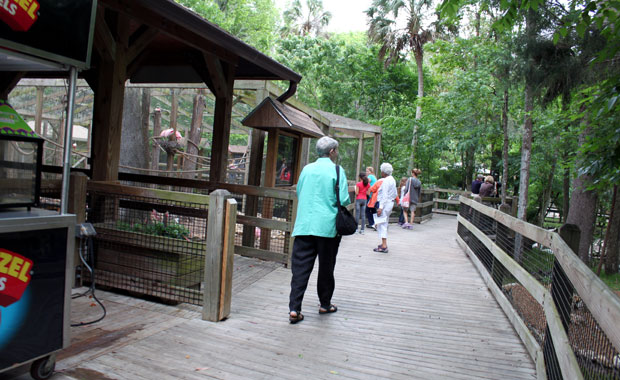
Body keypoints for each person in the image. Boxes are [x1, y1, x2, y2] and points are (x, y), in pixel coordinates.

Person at [288, 136, 350, 324]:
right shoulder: (337, 170)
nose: (336, 153)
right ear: (331, 152)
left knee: (300, 268)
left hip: (304, 225)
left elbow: (300, 192)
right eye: (336, 150)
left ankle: (294, 309)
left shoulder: (306, 169)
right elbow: (345, 199)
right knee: (326, 267)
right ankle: (325, 304)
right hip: (327, 227)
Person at [373, 163, 397, 253]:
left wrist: (380, 207)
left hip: (385, 204)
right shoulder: (392, 180)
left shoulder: (386, 181)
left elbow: (384, 195)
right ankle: (383, 243)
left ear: (383, 172)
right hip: (390, 203)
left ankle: (384, 245)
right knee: (385, 223)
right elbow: (394, 194)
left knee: (382, 224)